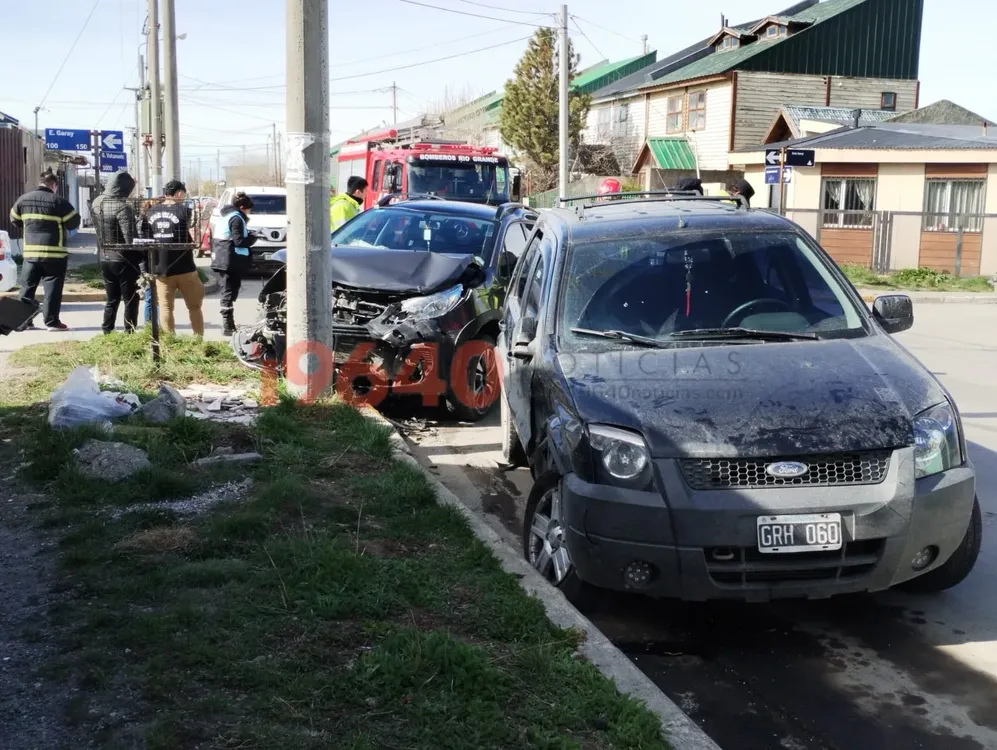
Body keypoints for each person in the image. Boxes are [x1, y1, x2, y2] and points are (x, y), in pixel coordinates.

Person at [9, 168, 81, 330]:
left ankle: (23, 322)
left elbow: (15, 219)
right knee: (52, 290)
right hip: (54, 254)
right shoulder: (59, 201)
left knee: (27, 289)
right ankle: (52, 322)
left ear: (40, 183)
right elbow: (74, 222)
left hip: (31, 255)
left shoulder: (23, 200)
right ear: (54, 185)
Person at [144, 180, 205, 337]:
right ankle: (198, 339)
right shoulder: (184, 210)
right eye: (183, 195)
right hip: (185, 267)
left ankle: (170, 342)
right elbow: (191, 231)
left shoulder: (151, 211)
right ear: (179, 193)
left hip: (161, 268)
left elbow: (147, 237)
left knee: (165, 308)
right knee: (194, 307)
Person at [92, 171, 144, 334]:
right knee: (130, 299)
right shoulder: (123, 207)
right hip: (124, 260)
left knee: (112, 298)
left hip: (105, 256)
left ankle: (107, 330)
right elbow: (130, 239)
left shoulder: (97, 202)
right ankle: (129, 332)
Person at [211, 191, 257, 336]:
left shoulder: (227, 217)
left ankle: (229, 324)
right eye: (249, 209)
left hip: (224, 258)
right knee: (228, 292)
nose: (250, 212)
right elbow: (239, 241)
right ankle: (227, 325)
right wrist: (253, 238)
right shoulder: (236, 219)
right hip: (229, 259)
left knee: (229, 291)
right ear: (243, 207)